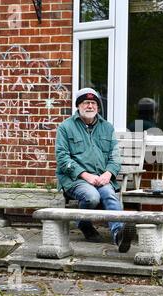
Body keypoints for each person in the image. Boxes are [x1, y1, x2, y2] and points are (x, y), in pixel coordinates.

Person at [55, 87, 135, 253]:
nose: (90, 106)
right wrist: (85, 175)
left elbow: (115, 157)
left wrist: (108, 173)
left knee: (110, 195)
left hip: (101, 178)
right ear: (78, 106)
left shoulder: (107, 128)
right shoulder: (65, 127)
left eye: (93, 103)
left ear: (98, 107)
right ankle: (84, 224)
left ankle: (118, 235)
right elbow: (62, 158)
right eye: (86, 103)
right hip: (76, 179)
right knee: (92, 197)